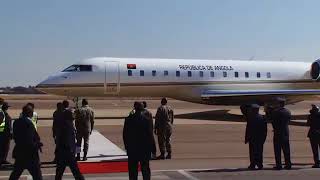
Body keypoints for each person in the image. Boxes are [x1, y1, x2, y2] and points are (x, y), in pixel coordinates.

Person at [9, 105, 43, 180]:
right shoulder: (28, 123)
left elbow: (16, 137)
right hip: (30, 155)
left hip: (19, 152)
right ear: (29, 113)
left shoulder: (16, 122)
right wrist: (37, 144)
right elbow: (29, 141)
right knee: (37, 176)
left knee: (15, 174)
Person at [123, 102, 155, 180]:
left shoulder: (128, 119)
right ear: (142, 109)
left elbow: (125, 135)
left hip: (132, 150)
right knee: (145, 171)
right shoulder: (147, 120)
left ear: (134, 108)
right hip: (144, 150)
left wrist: (127, 147)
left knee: (133, 171)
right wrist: (153, 149)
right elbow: (150, 135)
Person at [55, 100, 85, 180]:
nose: (73, 117)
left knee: (59, 173)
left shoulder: (64, 124)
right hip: (67, 151)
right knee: (76, 172)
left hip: (63, 152)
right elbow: (68, 139)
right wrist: (73, 149)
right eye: (72, 115)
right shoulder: (68, 125)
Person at [271, 97, 292, 170]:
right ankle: (288, 164)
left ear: (279, 104)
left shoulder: (276, 112)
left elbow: (273, 122)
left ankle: (279, 165)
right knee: (286, 150)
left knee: (277, 150)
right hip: (285, 132)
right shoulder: (288, 111)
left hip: (278, 133)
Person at [245, 104, 267, 170]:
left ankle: (253, 164)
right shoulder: (262, 118)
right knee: (260, 151)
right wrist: (264, 138)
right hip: (260, 138)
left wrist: (247, 138)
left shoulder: (250, 118)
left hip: (252, 138)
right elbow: (265, 130)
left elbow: (248, 129)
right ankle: (260, 164)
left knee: (252, 152)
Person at [0, 102, 12, 167]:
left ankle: (3, 159)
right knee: (3, 147)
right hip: (4, 134)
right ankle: (2, 160)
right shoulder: (2, 114)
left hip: (5, 134)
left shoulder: (4, 114)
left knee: (5, 148)